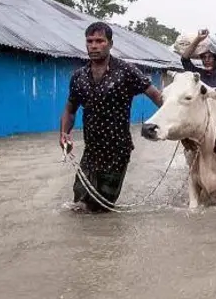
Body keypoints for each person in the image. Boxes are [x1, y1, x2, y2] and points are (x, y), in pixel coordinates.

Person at [59, 21, 163, 213]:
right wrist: (64, 133)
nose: (94, 45)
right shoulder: (79, 76)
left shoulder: (127, 71)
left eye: (100, 41)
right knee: (77, 204)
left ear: (110, 44)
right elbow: (70, 109)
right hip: (90, 152)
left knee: (101, 209)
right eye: (90, 41)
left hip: (117, 152)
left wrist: (174, 121)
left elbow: (156, 96)